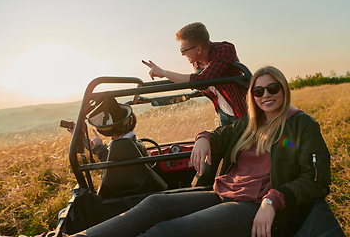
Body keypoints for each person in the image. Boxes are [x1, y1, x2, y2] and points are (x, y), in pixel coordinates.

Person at [68, 66, 331, 237]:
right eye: (259, 91)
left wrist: (273, 200)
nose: (266, 95)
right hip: (225, 192)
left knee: (167, 231)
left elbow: (316, 181)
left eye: (273, 88)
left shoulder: (300, 124)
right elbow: (220, 135)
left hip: (255, 205)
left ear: (283, 89)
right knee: (156, 203)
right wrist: (204, 137)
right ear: (253, 96)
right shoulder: (250, 124)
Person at [142, 22, 247, 126]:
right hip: (223, 111)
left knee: (246, 143)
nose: (182, 54)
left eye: (183, 50)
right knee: (226, 143)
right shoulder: (196, 63)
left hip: (241, 112)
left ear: (198, 49)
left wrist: (164, 72)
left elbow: (201, 81)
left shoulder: (224, 49)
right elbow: (198, 82)